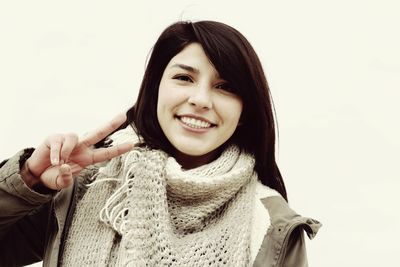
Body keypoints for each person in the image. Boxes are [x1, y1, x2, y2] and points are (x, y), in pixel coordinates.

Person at [0, 20, 321, 266]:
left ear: (244, 111)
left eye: (225, 86)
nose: (200, 99)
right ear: (154, 90)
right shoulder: (84, 185)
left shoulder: (271, 225)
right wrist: (28, 179)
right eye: (184, 78)